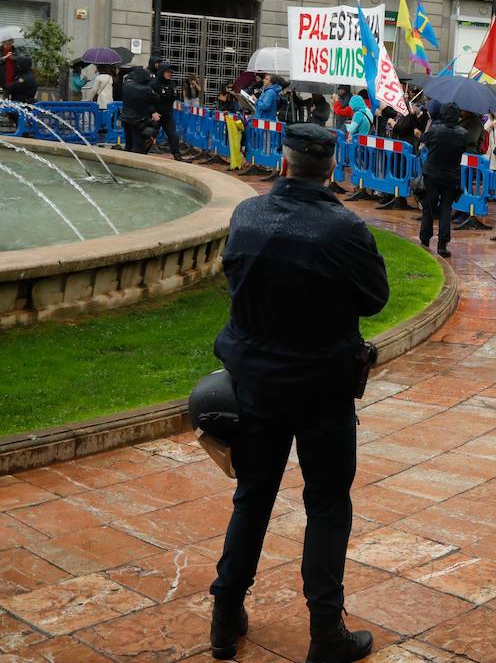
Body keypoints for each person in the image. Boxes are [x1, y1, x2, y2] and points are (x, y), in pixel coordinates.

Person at [209, 123, 388, 663]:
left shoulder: (248, 214)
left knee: (252, 499)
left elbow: (235, 281)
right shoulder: (343, 229)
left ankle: (225, 614)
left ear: (283, 164)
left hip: (257, 384)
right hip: (320, 388)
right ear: (329, 168)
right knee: (328, 505)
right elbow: (375, 298)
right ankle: (324, 632)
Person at [417, 104, 468, 258]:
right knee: (446, 209)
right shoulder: (463, 134)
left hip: (432, 175)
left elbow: (424, 140)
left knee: (428, 208)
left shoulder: (435, 130)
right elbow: (462, 149)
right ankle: (442, 245)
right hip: (451, 177)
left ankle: (425, 241)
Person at [119, 67, 159, 153]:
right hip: (138, 121)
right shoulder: (144, 89)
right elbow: (156, 98)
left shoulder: (126, 85)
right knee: (138, 145)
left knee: (128, 144)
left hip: (126, 119)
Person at [151, 60, 185, 160]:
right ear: (162, 72)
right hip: (156, 115)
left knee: (173, 135)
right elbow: (148, 100)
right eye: (168, 72)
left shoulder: (172, 84)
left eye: (171, 72)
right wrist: (152, 112)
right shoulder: (154, 84)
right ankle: (142, 153)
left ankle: (177, 155)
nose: (170, 74)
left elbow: (175, 97)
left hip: (167, 115)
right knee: (150, 135)